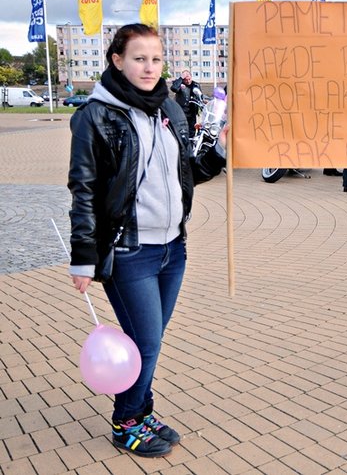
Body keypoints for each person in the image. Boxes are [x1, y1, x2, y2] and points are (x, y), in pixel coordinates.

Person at [67, 24, 227, 458]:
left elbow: (185, 173)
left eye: (156, 59)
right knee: (147, 342)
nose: (149, 67)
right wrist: (83, 256)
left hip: (174, 247)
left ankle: (142, 409)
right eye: (139, 58)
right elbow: (84, 188)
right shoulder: (94, 116)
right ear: (117, 61)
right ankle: (126, 423)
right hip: (129, 250)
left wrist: (219, 154)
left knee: (149, 340)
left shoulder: (170, 109)